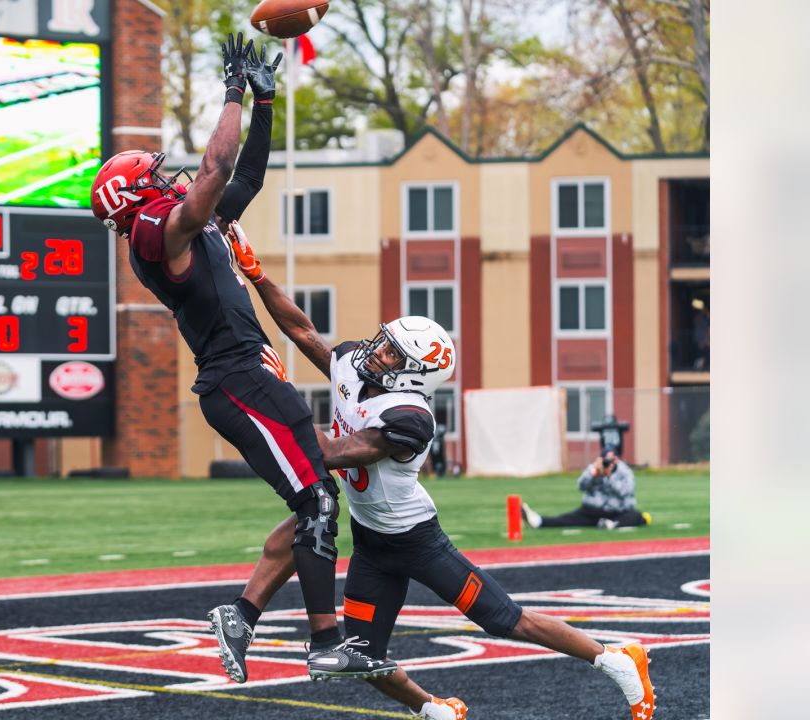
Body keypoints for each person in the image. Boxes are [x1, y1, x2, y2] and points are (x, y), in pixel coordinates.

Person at [213, 222, 656, 720]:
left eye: (389, 354)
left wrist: (274, 391)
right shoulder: (360, 373)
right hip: (373, 542)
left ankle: (615, 658)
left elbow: (330, 453)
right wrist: (255, 272)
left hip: (416, 541)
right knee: (358, 657)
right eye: (383, 342)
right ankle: (435, 710)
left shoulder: (410, 418)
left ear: (414, 373)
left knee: (503, 619)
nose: (374, 352)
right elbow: (302, 330)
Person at [89, 33, 372, 679]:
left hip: (248, 377)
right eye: (155, 178)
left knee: (311, 502)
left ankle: (242, 616)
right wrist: (233, 92)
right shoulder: (156, 234)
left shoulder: (192, 223)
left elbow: (243, 176)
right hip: (238, 380)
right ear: (136, 199)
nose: (171, 179)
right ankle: (324, 641)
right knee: (318, 503)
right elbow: (215, 171)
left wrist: (266, 100)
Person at [521, 446, 651, 530]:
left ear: (617, 459)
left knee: (637, 516)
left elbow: (624, 492)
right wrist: (593, 475)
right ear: (600, 459)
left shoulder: (625, 472)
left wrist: (608, 477)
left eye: (612, 460)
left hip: (617, 512)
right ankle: (538, 521)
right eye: (606, 460)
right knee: (566, 519)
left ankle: (612, 525)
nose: (609, 463)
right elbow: (581, 486)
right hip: (592, 511)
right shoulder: (594, 468)